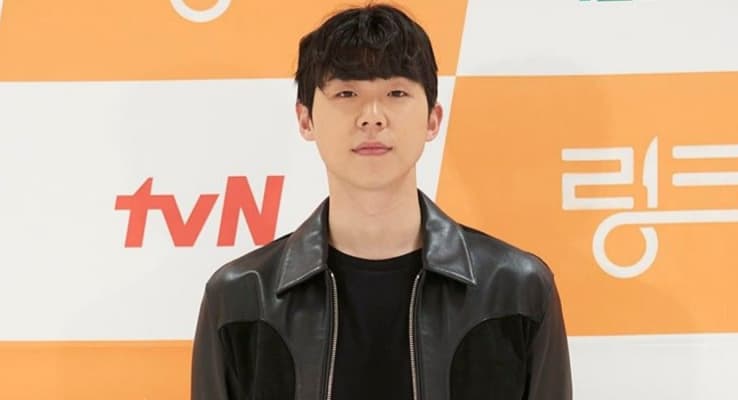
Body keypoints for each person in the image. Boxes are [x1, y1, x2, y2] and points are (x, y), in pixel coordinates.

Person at [191, 3, 572, 400]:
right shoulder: (240, 298)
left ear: (433, 119)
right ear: (305, 119)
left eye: (396, 92)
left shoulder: (515, 290)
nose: (372, 116)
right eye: (346, 92)